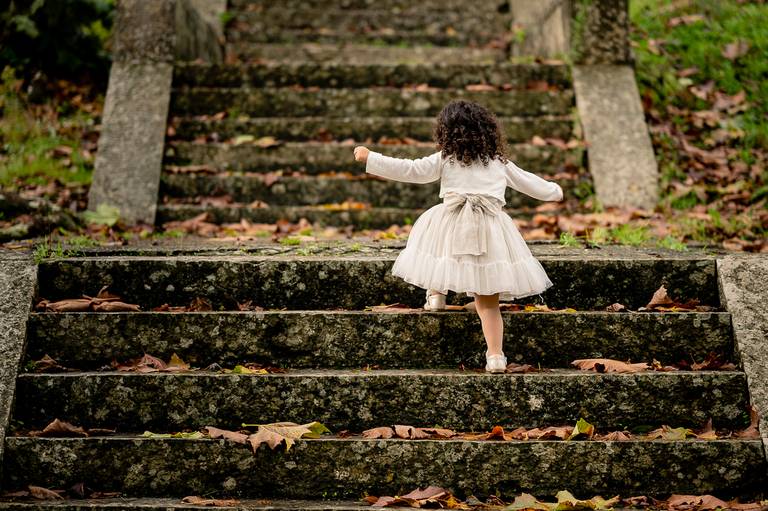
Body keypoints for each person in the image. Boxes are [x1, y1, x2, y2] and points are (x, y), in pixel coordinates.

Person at [353, 99, 564, 373]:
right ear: (488, 132)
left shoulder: (445, 160)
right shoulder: (499, 163)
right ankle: (496, 356)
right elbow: (529, 182)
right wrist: (555, 191)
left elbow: (411, 169)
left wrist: (372, 158)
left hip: (451, 223)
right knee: (488, 302)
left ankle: (436, 294)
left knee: (437, 250)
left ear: (446, 133)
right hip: (491, 230)